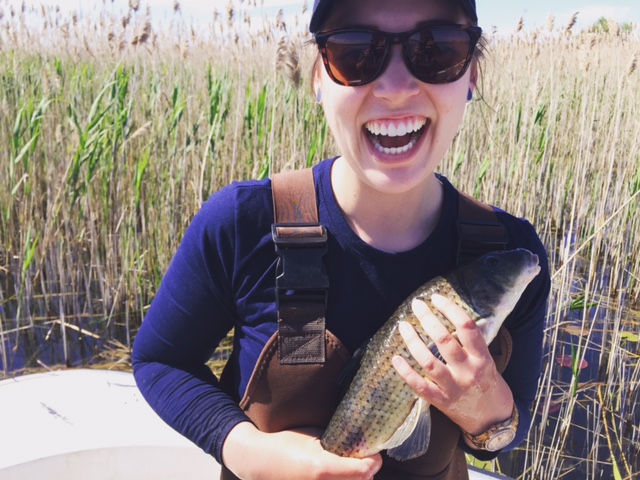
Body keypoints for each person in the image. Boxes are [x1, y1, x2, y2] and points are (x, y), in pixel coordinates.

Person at [132, 0, 551, 479]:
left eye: (436, 51)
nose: (396, 89)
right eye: (355, 52)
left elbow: (501, 439)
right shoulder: (241, 224)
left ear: (471, 75)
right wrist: (246, 450)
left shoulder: (509, 255)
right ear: (317, 77)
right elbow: (159, 361)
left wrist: (488, 410)